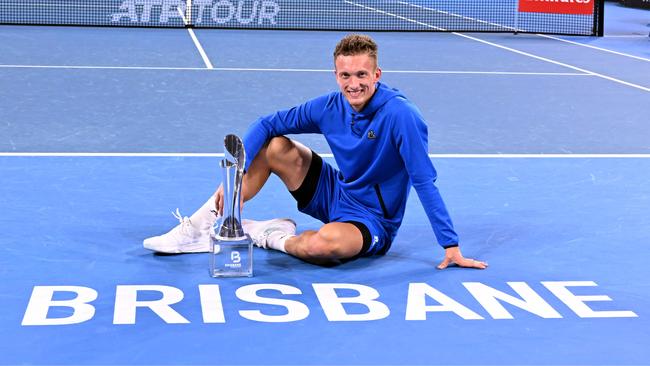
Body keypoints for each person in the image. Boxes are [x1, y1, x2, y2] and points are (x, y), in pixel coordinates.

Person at [144, 34, 487, 270]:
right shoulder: (329, 106)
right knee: (275, 145)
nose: (354, 84)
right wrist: (235, 176)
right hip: (335, 191)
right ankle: (204, 224)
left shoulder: (402, 116)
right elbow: (266, 122)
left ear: (377, 74)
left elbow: (424, 181)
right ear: (336, 75)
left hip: (370, 219)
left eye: (362, 75)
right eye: (345, 75)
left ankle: (267, 234)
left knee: (320, 247)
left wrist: (450, 245)